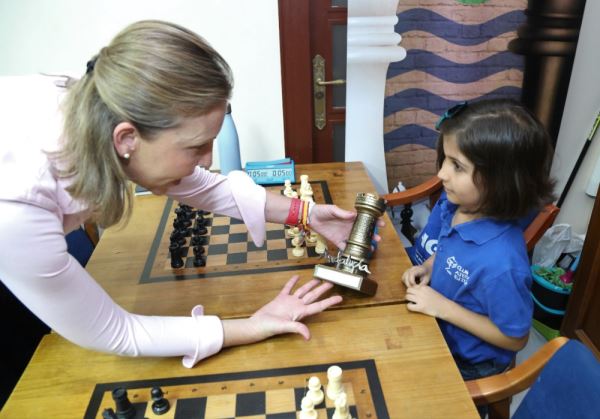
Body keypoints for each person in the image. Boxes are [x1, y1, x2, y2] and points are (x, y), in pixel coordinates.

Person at [0, 20, 381, 368]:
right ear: (127, 138)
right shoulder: (17, 207)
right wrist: (252, 326)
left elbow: (200, 185)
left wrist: (308, 215)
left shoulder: (103, 97)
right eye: (196, 147)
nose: (208, 159)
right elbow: (116, 332)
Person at [401, 99, 555, 383]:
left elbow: (515, 338)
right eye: (446, 159)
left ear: (502, 181)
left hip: (471, 363)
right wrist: (429, 268)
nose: (441, 174)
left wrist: (442, 307)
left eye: (457, 166)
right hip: (440, 328)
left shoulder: (503, 264)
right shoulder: (458, 207)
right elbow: (449, 250)